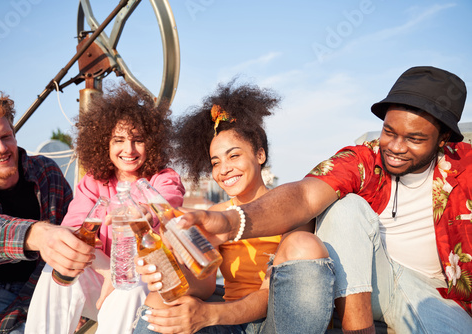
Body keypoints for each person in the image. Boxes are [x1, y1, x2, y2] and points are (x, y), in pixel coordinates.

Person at [177, 66, 472, 333]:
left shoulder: (466, 171)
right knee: (346, 206)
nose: (394, 147)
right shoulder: (363, 159)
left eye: (414, 139)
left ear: (444, 137)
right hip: (372, 281)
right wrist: (229, 222)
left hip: (437, 292)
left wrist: (211, 314)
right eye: (389, 131)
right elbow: (304, 195)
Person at [134, 80, 335, 334]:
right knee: (159, 301)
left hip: (275, 320)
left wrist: (208, 315)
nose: (223, 169)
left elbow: (267, 297)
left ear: (260, 155)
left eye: (234, 155)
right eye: (215, 162)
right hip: (232, 322)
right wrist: (167, 274)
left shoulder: (288, 208)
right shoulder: (216, 214)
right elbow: (205, 284)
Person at [25, 83, 186, 334]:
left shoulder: (163, 177)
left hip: (141, 288)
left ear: (152, 143)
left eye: (138, 140)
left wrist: (145, 211)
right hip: (101, 281)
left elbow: (167, 201)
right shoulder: (92, 182)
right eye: (118, 140)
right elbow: (73, 233)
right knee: (59, 264)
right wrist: (110, 271)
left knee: (129, 285)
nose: (129, 150)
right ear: (104, 144)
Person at [0, 87, 92, 333]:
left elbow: (75, 228)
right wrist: (38, 235)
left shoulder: (46, 172)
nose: (1, 148)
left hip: (44, 282)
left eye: (6, 136)